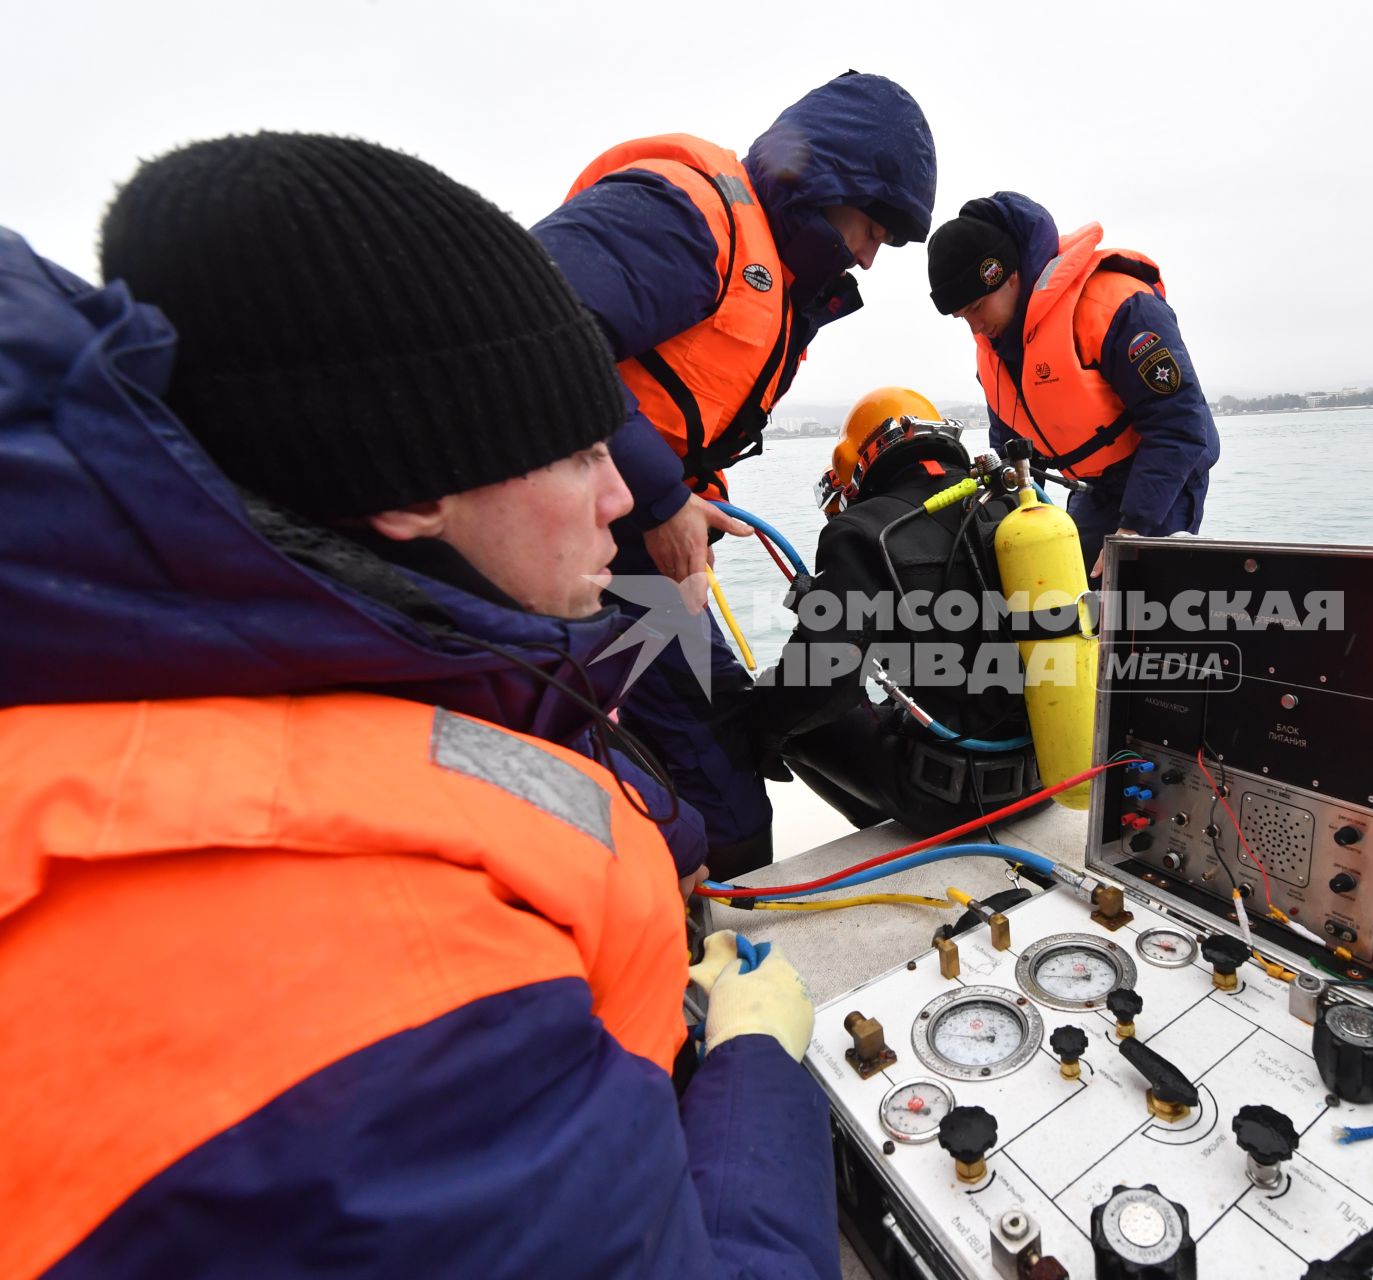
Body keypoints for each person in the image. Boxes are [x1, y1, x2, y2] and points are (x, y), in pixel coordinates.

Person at [0, 134, 830, 1280]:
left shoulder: (370, 645)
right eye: (581, 449)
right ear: (410, 489)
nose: (625, 495)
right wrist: (755, 1076)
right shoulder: (380, 967)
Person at [531, 72, 938, 878]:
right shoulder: (686, 214)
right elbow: (529, 321)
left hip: (634, 562)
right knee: (688, 788)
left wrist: (695, 501)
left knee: (719, 752)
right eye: (873, 227)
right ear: (833, 183)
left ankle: (704, 937)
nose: (868, 254)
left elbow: (677, 415)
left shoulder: (788, 292)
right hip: (548, 549)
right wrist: (660, 495)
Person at [749, 389, 1041, 834]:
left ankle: (879, 823)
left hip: (945, 800)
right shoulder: (1015, 505)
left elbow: (819, 684)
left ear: (857, 464)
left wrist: (753, 726)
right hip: (1046, 781)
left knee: (784, 706)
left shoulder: (860, 530)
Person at [926, 192, 1221, 577]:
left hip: (1162, 478)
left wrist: (1132, 529)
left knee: (1135, 603)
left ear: (1008, 275)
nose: (975, 327)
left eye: (977, 308)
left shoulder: (1117, 307)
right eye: (962, 317)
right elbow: (1010, 447)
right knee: (1066, 590)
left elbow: (1180, 426)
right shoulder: (995, 347)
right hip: (1093, 487)